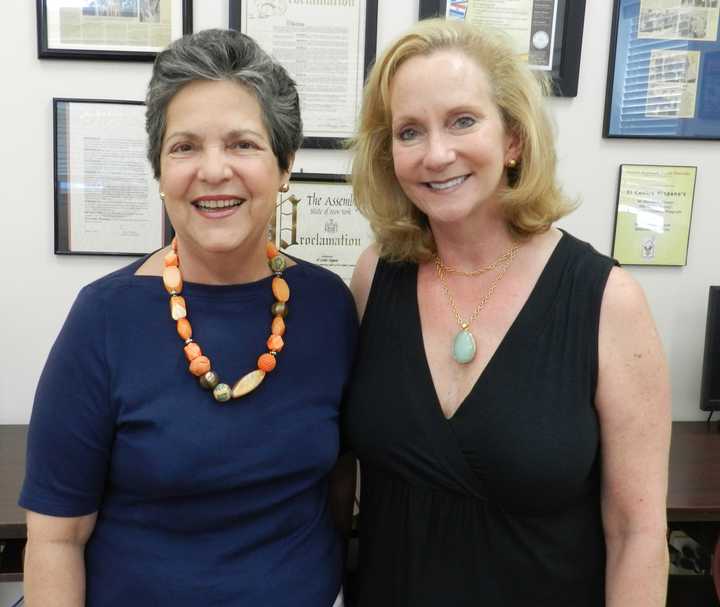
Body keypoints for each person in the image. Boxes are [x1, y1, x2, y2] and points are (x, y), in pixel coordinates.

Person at [20, 29, 356, 607]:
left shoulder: (329, 306)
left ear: (285, 164)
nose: (213, 170)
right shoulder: (103, 318)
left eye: (243, 144)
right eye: (185, 147)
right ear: (160, 171)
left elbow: (338, 488)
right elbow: (56, 539)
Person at [342, 18, 671, 607]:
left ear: (513, 140)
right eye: (409, 131)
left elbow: (638, 534)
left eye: (463, 121)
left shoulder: (604, 299)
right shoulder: (375, 277)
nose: (436, 154)